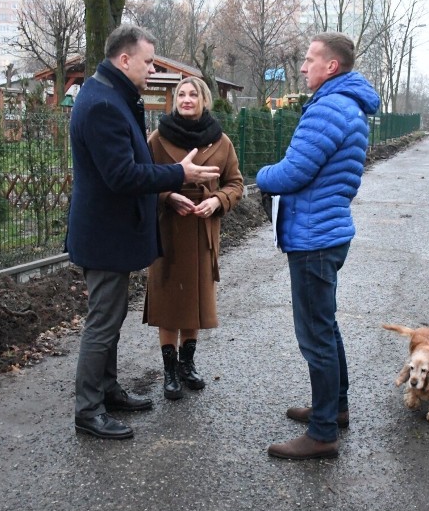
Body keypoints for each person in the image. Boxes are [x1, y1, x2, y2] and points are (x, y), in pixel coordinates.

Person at [66, 24, 219, 440]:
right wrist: (177, 174)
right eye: (149, 61)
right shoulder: (102, 104)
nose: (153, 69)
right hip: (104, 236)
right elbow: (121, 175)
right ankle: (87, 410)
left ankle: (108, 389)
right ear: (125, 59)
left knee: (111, 320)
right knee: (103, 322)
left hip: (111, 233)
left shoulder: (111, 96)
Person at [256, 32, 380, 460]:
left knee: (315, 335)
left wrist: (261, 174)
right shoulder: (347, 104)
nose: (303, 67)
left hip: (313, 236)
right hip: (326, 231)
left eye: (310, 60)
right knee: (325, 326)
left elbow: (293, 172)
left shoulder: (329, 106)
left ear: (332, 66)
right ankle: (335, 407)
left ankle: (323, 431)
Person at [143, 76, 243, 400]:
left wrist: (217, 201)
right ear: (175, 101)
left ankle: (187, 364)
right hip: (168, 230)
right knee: (168, 302)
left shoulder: (221, 141)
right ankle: (169, 371)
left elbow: (235, 183)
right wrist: (168, 196)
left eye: (193, 95)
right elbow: (142, 180)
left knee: (195, 301)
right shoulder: (157, 138)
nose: (187, 99)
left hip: (202, 231)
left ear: (204, 101)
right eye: (182, 94)